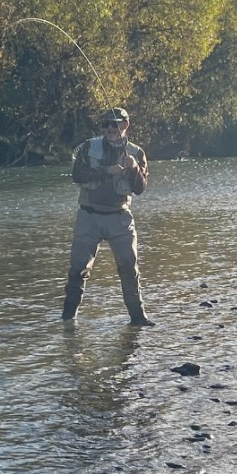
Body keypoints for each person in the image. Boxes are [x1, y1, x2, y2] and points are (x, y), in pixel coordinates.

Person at [61, 107, 154, 326]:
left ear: (125, 125)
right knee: (77, 269)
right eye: (106, 124)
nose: (110, 128)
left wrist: (134, 170)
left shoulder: (137, 152)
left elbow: (140, 189)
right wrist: (105, 170)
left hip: (120, 217)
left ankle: (138, 319)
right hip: (89, 216)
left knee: (129, 268)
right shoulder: (88, 147)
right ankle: (67, 319)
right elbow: (77, 175)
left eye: (115, 124)